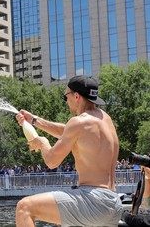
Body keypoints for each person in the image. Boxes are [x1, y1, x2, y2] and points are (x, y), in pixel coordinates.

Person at [15, 75, 123, 227]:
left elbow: (52, 161)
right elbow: (67, 132)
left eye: (66, 97)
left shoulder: (78, 122)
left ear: (76, 96)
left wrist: (42, 142)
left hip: (93, 202)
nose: (66, 102)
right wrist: (34, 120)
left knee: (24, 208)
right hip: (112, 202)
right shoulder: (105, 119)